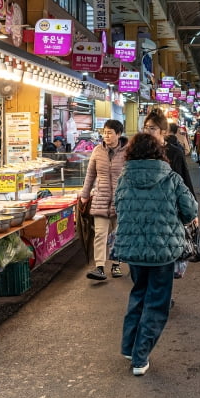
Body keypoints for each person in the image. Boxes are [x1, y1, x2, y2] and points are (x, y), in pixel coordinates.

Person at [110, 132, 197, 376]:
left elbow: (119, 208)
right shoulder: (171, 178)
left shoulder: (124, 179)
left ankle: (129, 346)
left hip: (134, 250)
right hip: (163, 250)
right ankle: (139, 357)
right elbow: (190, 210)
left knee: (138, 293)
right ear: (159, 152)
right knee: (157, 302)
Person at [80, 119, 127, 281]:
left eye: (109, 132)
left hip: (121, 200)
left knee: (118, 233)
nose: (106, 135)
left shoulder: (128, 152)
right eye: (104, 132)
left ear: (118, 134)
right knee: (100, 233)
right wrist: (85, 194)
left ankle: (116, 264)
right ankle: (99, 267)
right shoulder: (97, 151)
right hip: (101, 197)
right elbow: (90, 174)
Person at [143, 109, 194, 193]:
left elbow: (184, 182)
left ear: (163, 131)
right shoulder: (139, 151)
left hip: (168, 201)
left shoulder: (175, 153)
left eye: (152, 128)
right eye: (145, 127)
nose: (147, 131)